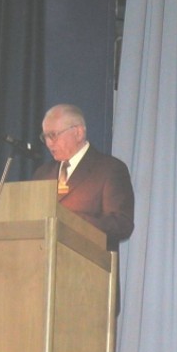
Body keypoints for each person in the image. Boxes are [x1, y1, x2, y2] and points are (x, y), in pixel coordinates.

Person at [32, 103, 135, 252]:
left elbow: (122, 225)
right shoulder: (42, 174)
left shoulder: (109, 169)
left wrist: (72, 220)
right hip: (43, 261)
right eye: (45, 137)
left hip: (89, 262)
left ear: (78, 133)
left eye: (53, 135)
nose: (48, 143)